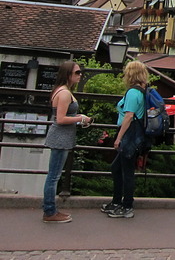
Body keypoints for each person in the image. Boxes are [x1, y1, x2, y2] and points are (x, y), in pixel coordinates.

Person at [42, 61, 92, 223]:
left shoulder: (62, 91)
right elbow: (61, 118)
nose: (80, 75)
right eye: (77, 72)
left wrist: (78, 120)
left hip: (62, 137)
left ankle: (51, 210)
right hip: (60, 138)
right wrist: (80, 118)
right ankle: (49, 211)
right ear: (68, 74)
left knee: (54, 175)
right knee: (54, 176)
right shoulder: (64, 93)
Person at [101, 61, 148, 219]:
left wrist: (118, 138)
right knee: (117, 168)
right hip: (134, 135)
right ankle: (117, 202)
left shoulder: (132, 93)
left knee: (127, 171)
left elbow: (128, 116)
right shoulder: (140, 91)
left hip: (129, 135)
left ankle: (127, 205)